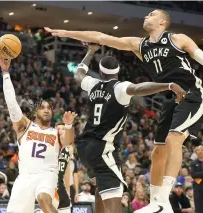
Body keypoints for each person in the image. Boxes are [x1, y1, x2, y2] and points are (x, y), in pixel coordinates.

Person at [45, 9, 203, 212]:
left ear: (163, 21)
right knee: (157, 152)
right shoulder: (140, 45)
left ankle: (163, 199)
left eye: (152, 14)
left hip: (192, 94)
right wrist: (67, 32)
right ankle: (157, 202)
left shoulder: (177, 39)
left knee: (174, 139)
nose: (147, 16)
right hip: (170, 98)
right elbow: (102, 37)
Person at [71, 44, 186, 213]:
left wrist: (90, 52)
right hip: (102, 147)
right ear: (117, 72)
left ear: (101, 73)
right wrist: (167, 85)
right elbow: (139, 88)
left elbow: (78, 74)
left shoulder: (93, 83)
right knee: (115, 190)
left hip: (84, 147)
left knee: (102, 186)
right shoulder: (120, 87)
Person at [0, 55, 76, 213]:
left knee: (43, 199)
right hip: (25, 176)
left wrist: (68, 125)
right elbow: (12, 103)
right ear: (35, 112)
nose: (47, 110)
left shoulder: (56, 132)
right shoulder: (24, 127)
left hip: (48, 173)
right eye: (43, 107)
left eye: (49, 108)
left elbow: (68, 142)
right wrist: (5, 72)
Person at [53, 123, 72, 213]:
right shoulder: (50, 147)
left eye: (63, 129)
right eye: (58, 129)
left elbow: (67, 172)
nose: (60, 130)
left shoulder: (69, 148)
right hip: (50, 187)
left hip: (61, 187)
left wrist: (68, 190)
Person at [190, 145, 203, 213]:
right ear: (196, 152)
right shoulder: (193, 162)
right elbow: (193, 175)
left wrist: (199, 175)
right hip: (198, 188)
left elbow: (197, 174)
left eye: (202, 150)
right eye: (198, 150)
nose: (200, 151)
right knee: (198, 208)